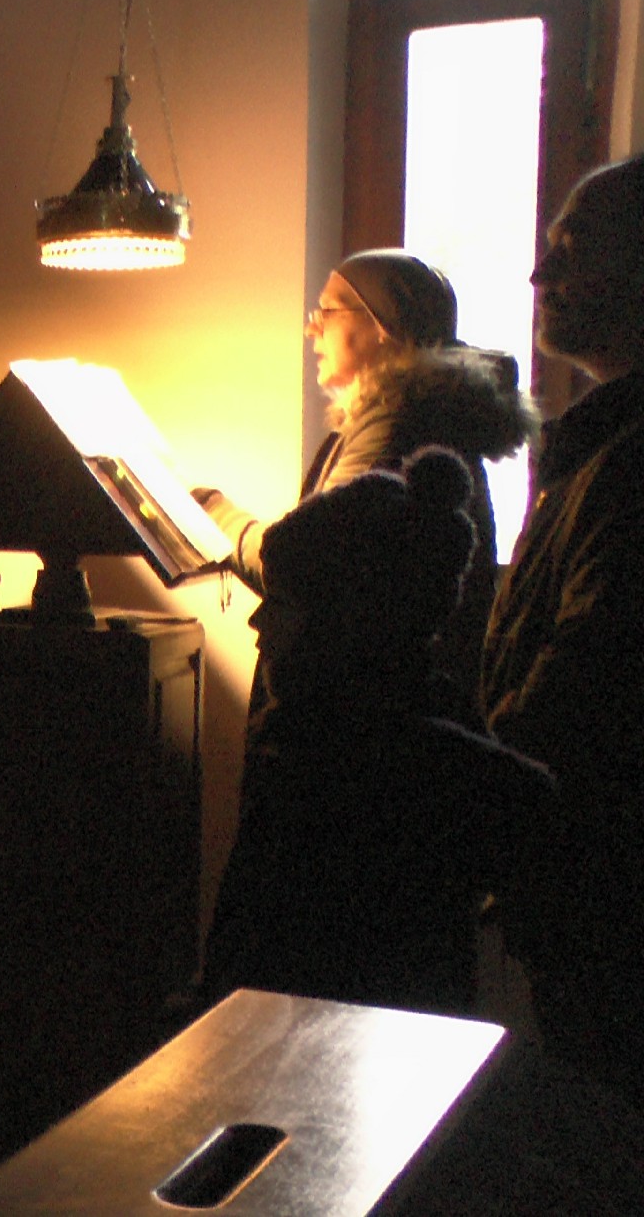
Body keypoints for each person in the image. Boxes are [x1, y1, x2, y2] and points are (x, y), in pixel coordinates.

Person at [203, 448, 555, 1014]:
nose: (258, 619)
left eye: (284, 602)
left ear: (345, 620)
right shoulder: (433, 735)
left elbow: (244, 949)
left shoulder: (322, 754)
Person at [480, 155, 644, 1106]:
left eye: (572, 250)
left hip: (607, 878)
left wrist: (483, 779)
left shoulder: (630, 460)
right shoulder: (601, 440)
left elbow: (589, 676)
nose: (541, 275)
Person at [194, 250, 534, 708]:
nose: (312, 328)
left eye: (327, 311)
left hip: (360, 712)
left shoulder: (396, 424)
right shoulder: (415, 412)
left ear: (382, 326)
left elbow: (307, 564)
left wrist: (217, 516)